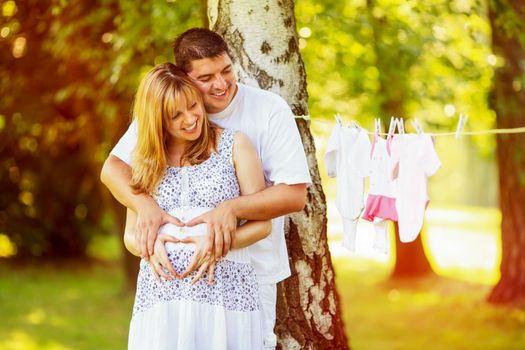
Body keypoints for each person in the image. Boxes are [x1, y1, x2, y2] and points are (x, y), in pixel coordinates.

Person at [101, 28, 311, 349]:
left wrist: (230, 209)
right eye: (206, 77)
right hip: (167, 296)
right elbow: (114, 169)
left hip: (248, 274)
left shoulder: (265, 112)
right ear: (185, 78)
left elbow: (294, 195)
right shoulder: (164, 110)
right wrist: (146, 210)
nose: (221, 84)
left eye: (226, 70)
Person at [123, 62, 269, 349]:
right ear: (157, 120)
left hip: (225, 296)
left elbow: (263, 224)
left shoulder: (235, 145)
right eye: (176, 115)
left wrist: (217, 244)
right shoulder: (144, 159)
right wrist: (149, 247)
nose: (190, 119)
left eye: (193, 106)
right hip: (162, 300)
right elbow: (130, 234)